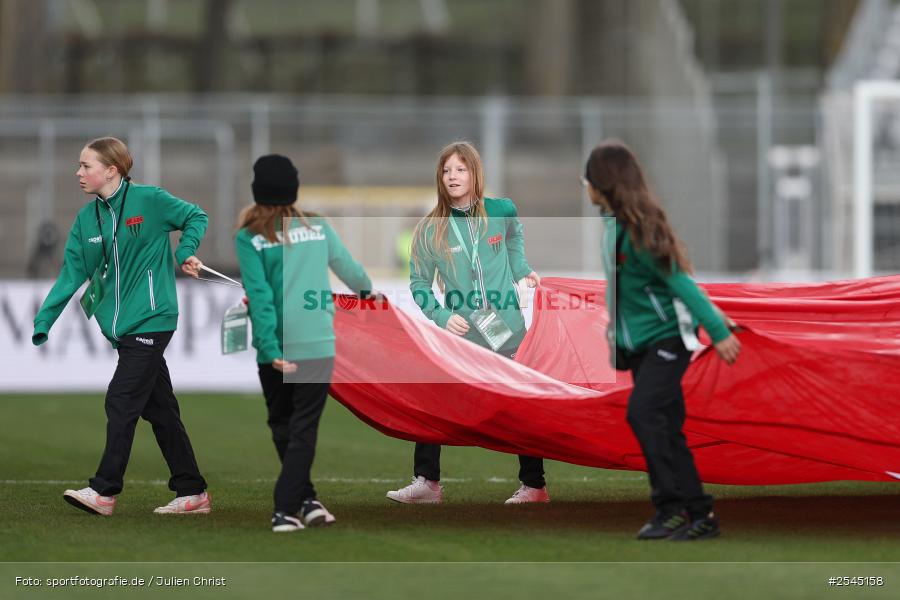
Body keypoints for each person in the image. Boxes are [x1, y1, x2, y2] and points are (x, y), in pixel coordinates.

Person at [32, 136, 211, 516]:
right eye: (79, 166)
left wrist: (186, 250)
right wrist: (44, 319)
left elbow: (196, 216)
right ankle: (192, 491)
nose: (78, 173)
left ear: (111, 170)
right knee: (160, 410)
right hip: (121, 330)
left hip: (153, 317)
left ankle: (104, 491)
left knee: (121, 400)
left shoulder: (150, 200)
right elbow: (71, 275)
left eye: (86, 166)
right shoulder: (85, 220)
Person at [583, 140, 741, 541]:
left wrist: (717, 331)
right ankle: (699, 515)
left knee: (643, 414)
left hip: (667, 341)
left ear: (601, 183)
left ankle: (670, 508)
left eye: (587, 178)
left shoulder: (637, 232)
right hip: (641, 347)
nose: (584, 185)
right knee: (668, 428)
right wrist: (616, 337)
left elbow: (681, 283)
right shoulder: (612, 228)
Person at [386, 141, 547, 505]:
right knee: (430, 398)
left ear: (475, 174)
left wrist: (521, 269)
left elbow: (514, 239)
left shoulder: (501, 210)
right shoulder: (430, 229)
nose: (453, 176)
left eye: (460, 169)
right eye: (446, 171)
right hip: (460, 339)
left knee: (521, 406)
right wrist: (442, 316)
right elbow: (419, 285)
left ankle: (535, 486)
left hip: (508, 333)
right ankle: (427, 483)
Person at [235, 154, 373, 532]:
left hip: (275, 346)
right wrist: (366, 292)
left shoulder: (249, 238)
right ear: (294, 189)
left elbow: (260, 298)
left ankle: (297, 504)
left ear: (257, 191)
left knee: (282, 423)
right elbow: (355, 276)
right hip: (315, 343)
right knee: (303, 429)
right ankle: (296, 505)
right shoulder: (319, 227)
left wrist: (269, 347)